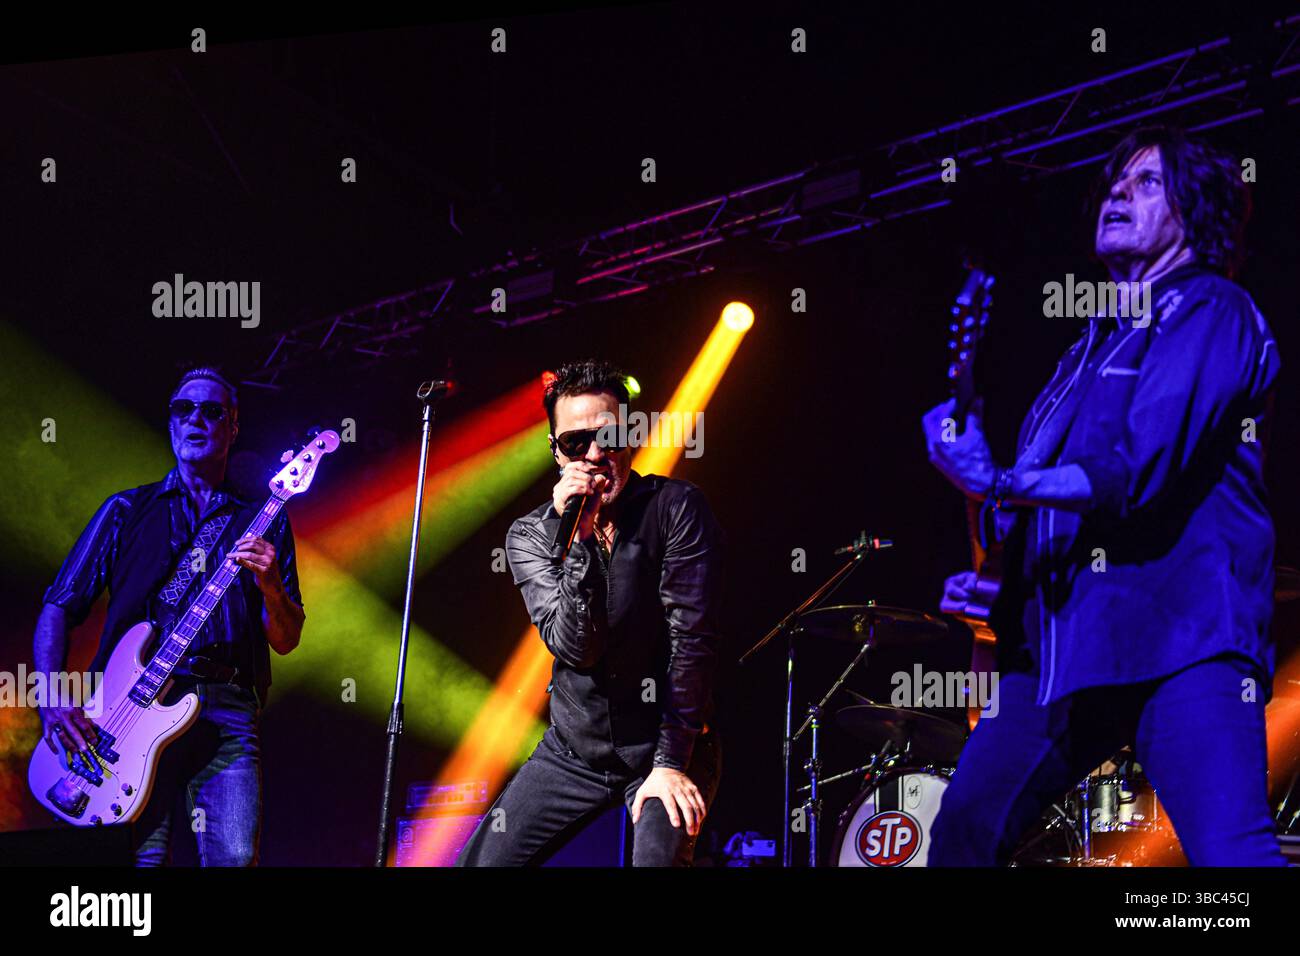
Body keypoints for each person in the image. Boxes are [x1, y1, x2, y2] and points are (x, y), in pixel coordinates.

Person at [921, 126, 1285, 865]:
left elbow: (1136, 468)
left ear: (1197, 215)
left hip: (1184, 642)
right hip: (1065, 657)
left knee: (1232, 858)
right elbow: (1037, 499)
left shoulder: (1211, 309)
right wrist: (997, 577)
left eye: (1148, 183)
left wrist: (996, 479)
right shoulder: (1083, 351)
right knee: (962, 832)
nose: (1119, 190)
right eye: (1116, 180)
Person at [457, 359, 724, 866]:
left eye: (611, 434)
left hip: (667, 740)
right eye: (576, 443)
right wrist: (579, 545)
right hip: (575, 750)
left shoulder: (676, 509)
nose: (596, 454)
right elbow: (578, 647)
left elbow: (692, 643)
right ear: (556, 452)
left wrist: (670, 764)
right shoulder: (532, 536)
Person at [35, 367, 305, 865]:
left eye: (212, 411)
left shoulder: (262, 519)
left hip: (225, 710)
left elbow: (286, 639)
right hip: (123, 712)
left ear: (233, 427)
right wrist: (51, 698)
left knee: (233, 861)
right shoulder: (126, 510)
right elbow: (59, 604)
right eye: (185, 409)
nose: (196, 419)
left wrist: (270, 587)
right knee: (138, 872)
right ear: (171, 422)